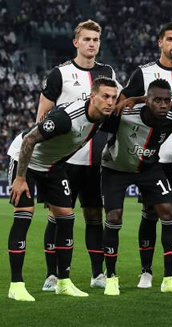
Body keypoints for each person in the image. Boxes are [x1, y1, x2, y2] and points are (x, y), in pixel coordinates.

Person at [7, 77, 118, 301]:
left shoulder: (103, 118)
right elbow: (29, 140)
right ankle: (16, 285)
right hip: (25, 160)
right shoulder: (65, 119)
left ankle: (64, 282)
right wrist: (20, 178)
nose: (110, 102)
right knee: (24, 217)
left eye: (114, 97)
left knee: (66, 218)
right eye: (105, 96)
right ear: (92, 96)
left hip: (52, 165)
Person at [119, 22, 172, 289]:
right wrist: (137, 101)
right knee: (150, 213)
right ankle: (146, 271)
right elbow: (122, 105)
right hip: (151, 158)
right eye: (170, 39)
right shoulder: (143, 74)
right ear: (160, 43)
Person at [100, 79, 172, 296]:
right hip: (116, 169)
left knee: (170, 214)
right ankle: (111, 277)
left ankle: (168, 278)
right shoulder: (125, 113)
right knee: (113, 217)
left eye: (166, 101)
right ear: (147, 101)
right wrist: (133, 99)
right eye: (156, 100)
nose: (162, 105)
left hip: (148, 169)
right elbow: (100, 123)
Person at [37, 19, 118, 291]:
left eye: (96, 39)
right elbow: (42, 116)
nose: (92, 44)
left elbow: (114, 109)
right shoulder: (59, 74)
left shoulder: (107, 73)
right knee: (58, 217)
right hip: (63, 162)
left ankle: (97, 275)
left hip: (95, 161)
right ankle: (52, 275)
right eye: (87, 39)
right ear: (76, 42)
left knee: (95, 217)